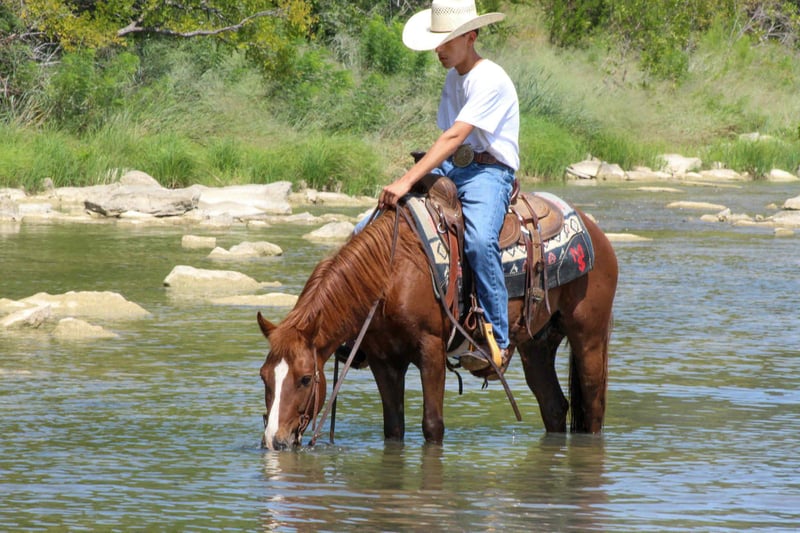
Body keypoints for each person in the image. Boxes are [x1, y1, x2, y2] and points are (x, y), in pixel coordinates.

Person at [380, 0, 520, 374]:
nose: (438, 50)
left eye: (446, 42)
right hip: (456, 166)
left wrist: (407, 179)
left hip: (489, 173)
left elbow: (456, 136)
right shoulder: (453, 78)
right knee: (384, 218)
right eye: (436, 43)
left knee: (479, 242)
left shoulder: (489, 78)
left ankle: (498, 341)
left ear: (471, 36)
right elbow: (449, 140)